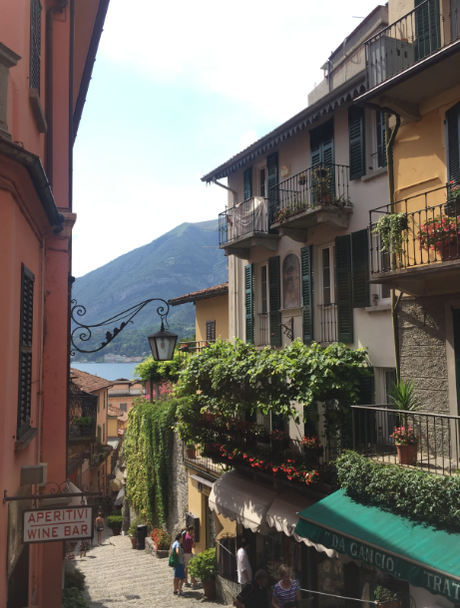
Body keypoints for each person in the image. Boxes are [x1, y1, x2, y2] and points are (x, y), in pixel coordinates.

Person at [183, 525, 201, 589]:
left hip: (184, 553)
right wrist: (194, 538)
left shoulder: (184, 535)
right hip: (188, 554)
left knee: (186, 568)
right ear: (190, 530)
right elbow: (194, 546)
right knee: (191, 568)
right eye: (192, 531)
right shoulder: (189, 538)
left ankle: (186, 582)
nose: (193, 533)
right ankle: (194, 584)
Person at [171, 532, 186, 596]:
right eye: (182, 538)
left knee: (176, 577)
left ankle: (175, 590)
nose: (183, 539)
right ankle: (179, 591)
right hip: (180, 563)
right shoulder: (177, 544)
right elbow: (177, 551)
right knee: (182, 578)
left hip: (176, 563)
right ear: (180, 538)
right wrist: (179, 555)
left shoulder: (174, 543)